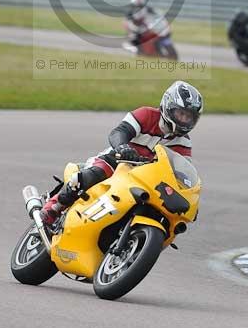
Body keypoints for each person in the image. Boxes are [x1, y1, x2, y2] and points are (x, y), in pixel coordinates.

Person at [38, 81, 203, 228]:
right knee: (91, 176)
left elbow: (181, 173)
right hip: (116, 161)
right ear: (168, 106)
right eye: (181, 113)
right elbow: (119, 132)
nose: (184, 120)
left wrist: (188, 199)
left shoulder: (183, 142)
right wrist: (123, 147)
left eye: (189, 117)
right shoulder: (146, 115)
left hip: (146, 178)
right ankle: (54, 208)